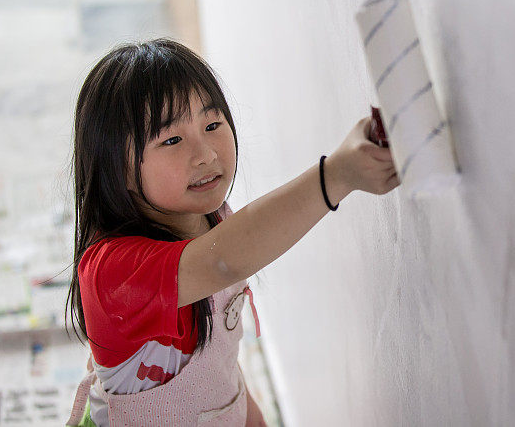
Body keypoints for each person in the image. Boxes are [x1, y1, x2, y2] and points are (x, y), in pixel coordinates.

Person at [64, 38, 400, 426]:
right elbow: (222, 261)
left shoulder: (214, 220)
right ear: (115, 168)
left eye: (212, 124)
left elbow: (218, 374)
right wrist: (337, 174)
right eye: (172, 139)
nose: (205, 153)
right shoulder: (111, 273)